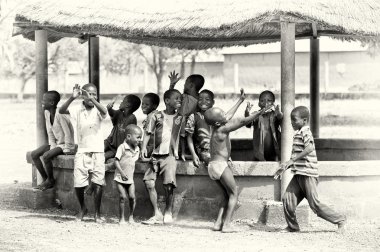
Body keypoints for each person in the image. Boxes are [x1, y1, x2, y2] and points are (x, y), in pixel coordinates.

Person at [274, 106, 346, 233]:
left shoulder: (305, 131)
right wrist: (286, 165)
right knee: (287, 199)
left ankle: (340, 220)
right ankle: (293, 227)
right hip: (299, 175)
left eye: (294, 120)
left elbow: (309, 148)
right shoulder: (298, 133)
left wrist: (291, 160)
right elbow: (298, 156)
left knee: (315, 205)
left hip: (308, 175)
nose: (291, 122)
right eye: (291, 119)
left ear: (305, 120)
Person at [204, 89, 267, 233]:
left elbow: (228, 115)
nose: (226, 114)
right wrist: (259, 112)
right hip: (220, 165)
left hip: (212, 166)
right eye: (223, 114)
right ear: (220, 121)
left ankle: (218, 223)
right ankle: (227, 225)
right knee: (234, 193)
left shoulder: (216, 127)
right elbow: (243, 121)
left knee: (226, 195)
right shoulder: (223, 130)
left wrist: (240, 100)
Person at [59, 83, 108, 223]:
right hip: (82, 150)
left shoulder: (98, 108)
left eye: (94, 94)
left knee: (98, 182)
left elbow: (105, 112)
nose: (91, 96)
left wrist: (92, 100)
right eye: (88, 94)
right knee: (79, 183)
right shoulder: (77, 109)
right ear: (82, 95)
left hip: (97, 150)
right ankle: (82, 208)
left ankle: (97, 214)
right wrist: (72, 97)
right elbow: (62, 111)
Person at [141, 89, 182, 225]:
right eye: (176, 99)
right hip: (155, 155)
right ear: (167, 101)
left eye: (180, 99)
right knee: (149, 182)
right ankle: (156, 213)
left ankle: (168, 211)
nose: (179, 101)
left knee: (169, 185)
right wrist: (143, 149)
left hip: (170, 156)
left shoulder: (180, 118)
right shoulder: (156, 116)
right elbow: (148, 132)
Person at [30, 91, 76, 191]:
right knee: (34, 154)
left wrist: (68, 149)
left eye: (44, 100)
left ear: (51, 103)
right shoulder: (47, 113)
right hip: (57, 144)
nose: (42, 101)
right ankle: (46, 179)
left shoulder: (60, 114)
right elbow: (50, 132)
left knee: (46, 156)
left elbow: (68, 133)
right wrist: (53, 146)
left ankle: (51, 180)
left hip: (66, 145)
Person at [168, 70, 204, 160]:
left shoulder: (200, 99)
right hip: (179, 126)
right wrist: (172, 85)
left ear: (191, 85)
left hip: (191, 129)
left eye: (185, 83)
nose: (184, 85)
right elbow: (171, 99)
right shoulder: (184, 97)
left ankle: (188, 153)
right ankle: (181, 153)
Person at [114, 124, 142, 224]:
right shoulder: (122, 147)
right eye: (138, 137)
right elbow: (116, 161)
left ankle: (131, 217)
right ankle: (121, 218)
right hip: (119, 178)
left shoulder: (137, 149)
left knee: (132, 197)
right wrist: (121, 173)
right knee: (122, 197)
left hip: (130, 179)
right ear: (129, 136)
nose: (140, 140)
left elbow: (135, 160)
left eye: (140, 138)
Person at [245, 90, 282, 161]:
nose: (265, 104)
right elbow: (248, 123)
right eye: (262, 101)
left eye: (269, 101)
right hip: (259, 152)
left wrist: (279, 113)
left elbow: (281, 120)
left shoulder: (275, 114)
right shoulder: (256, 115)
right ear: (259, 104)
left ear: (273, 103)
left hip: (274, 151)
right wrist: (247, 113)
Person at [104, 94, 141, 161]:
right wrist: (109, 108)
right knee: (100, 148)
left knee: (104, 156)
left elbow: (132, 134)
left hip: (118, 147)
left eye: (123, 101)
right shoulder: (119, 113)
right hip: (110, 142)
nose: (121, 102)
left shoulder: (131, 118)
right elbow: (112, 113)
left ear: (127, 105)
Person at [185, 89, 214, 167]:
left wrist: (240, 101)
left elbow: (228, 117)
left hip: (218, 150)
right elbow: (189, 137)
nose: (203, 101)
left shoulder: (217, 115)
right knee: (214, 165)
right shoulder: (194, 117)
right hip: (204, 152)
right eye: (200, 99)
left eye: (207, 99)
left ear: (213, 102)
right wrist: (194, 155)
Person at [141, 93, 160, 159]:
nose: (143, 106)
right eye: (142, 104)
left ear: (154, 106)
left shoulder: (151, 116)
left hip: (152, 148)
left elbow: (147, 134)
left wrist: (143, 148)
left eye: (147, 104)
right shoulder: (156, 114)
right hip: (154, 146)